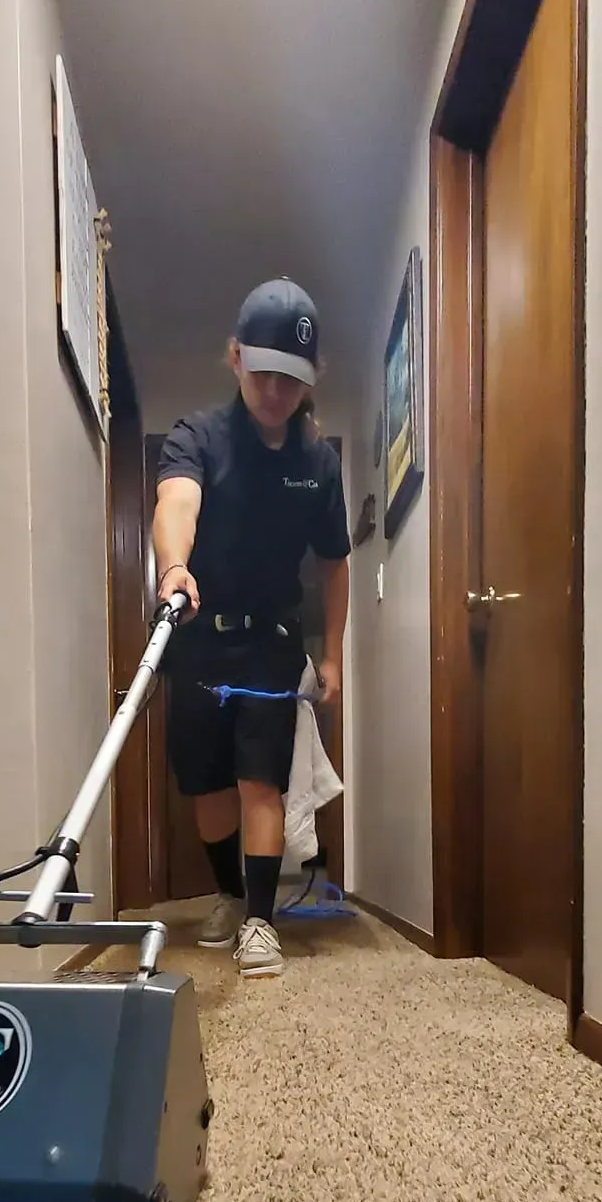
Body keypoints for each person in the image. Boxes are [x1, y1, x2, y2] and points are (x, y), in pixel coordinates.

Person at [152, 277, 350, 978]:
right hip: (200, 634)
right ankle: (231, 897)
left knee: (260, 781)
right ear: (235, 357)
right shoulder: (198, 435)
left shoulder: (318, 464)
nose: (274, 393)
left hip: (271, 640)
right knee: (207, 786)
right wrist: (174, 566)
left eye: (290, 381)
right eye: (262, 373)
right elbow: (177, 499)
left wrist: (333, 656)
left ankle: (261, 922)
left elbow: (334, 564)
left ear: (310, 380)